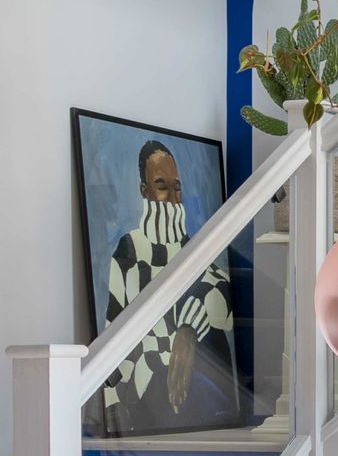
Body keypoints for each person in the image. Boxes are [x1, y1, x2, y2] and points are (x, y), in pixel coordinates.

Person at [100, 140, 236, 431]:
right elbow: (112, 331)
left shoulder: (192, 248)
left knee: (209, 354)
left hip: (192, 381)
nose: (173, 197)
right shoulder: (130, 250)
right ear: (144, 190)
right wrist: (110, 401)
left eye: (177, 186)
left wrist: (187, 331)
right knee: (162, 376)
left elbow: (222, 295)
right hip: (145, 382)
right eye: (162, 185)